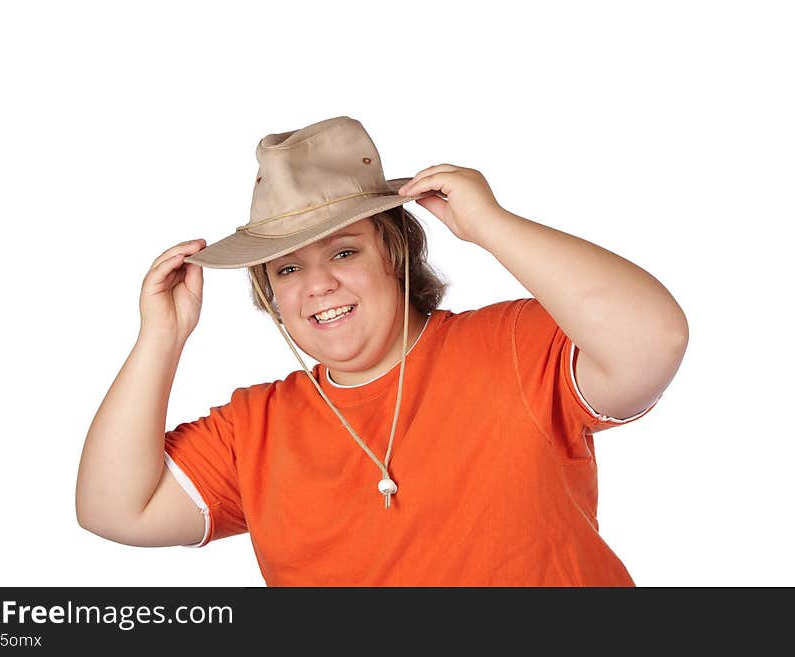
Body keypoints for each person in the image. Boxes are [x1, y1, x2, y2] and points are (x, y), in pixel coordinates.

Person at [75, 116, 689, 586]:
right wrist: (161, 337)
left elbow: (653, 339)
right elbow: (114, 511)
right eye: (287, 269)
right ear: (269, 290)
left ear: (393, 252)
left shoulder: (515, 346)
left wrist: (490, 224)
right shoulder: (253, 428)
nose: (318, 286)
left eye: (345, 252)